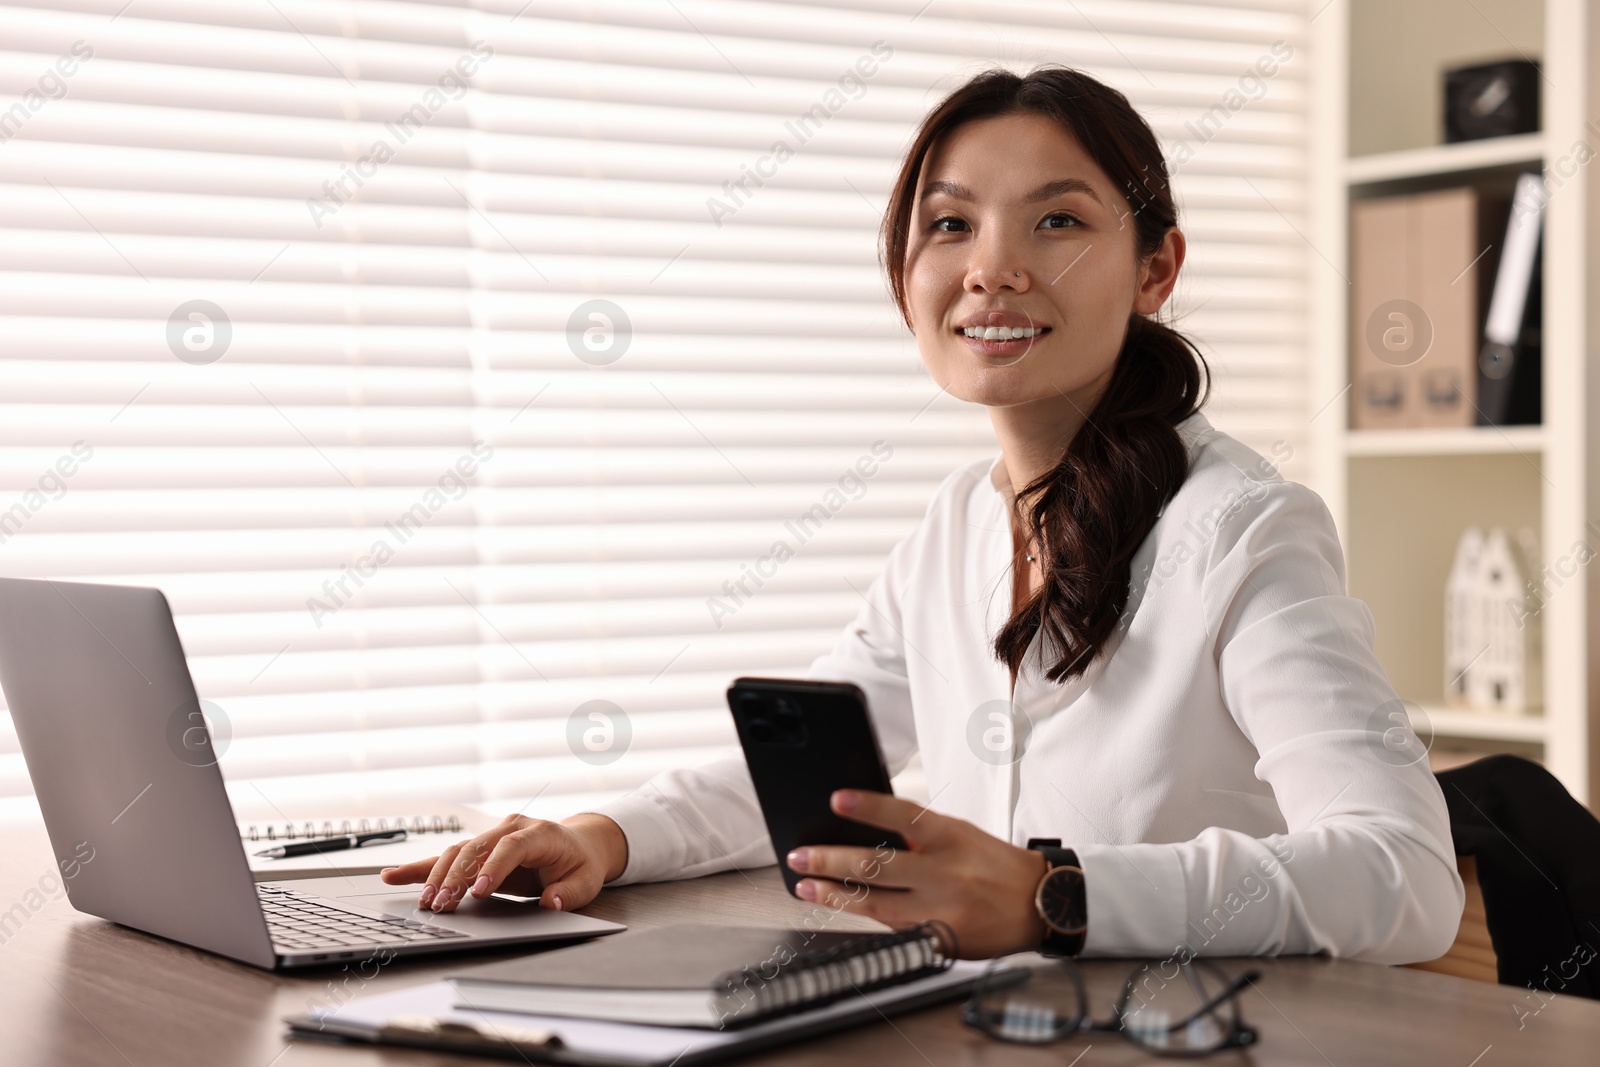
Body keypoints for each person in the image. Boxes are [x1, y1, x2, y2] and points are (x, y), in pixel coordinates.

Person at [382, 66, 1464, 964]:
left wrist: (1059, 894)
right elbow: (815, 778)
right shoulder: (950, 532)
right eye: (949, 223)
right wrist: (603, 834)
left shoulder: (1241, 529)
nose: (992, 267)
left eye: (1058, 220)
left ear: (1155, 269)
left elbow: (1404, 877)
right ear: (906, 274)